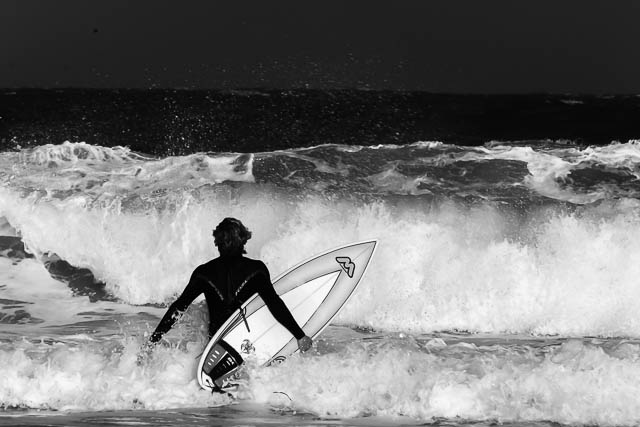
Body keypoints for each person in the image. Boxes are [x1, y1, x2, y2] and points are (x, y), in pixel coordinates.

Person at [138, 217, 312, 363]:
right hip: (246, 340)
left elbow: (178, 307)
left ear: (217, 242)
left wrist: (153, 341)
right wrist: (300, 335)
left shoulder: (203, 272)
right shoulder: (256, 270)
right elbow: (274, 304)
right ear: (244, 239)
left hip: (217, 344)